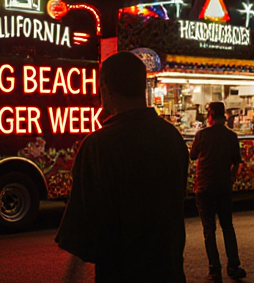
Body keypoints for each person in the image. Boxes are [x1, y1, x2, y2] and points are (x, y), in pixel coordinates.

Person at [56, 51, 189, 283]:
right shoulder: (172, 137)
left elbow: (81, 235)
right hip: (169, 272)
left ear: (105, 87)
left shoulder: (98, 145)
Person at [190, 101, 246, 281]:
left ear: (211, 114)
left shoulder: (202, 134)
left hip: (204, 187)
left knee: (209, 230)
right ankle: (234, 264)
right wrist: (231, 178)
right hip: (223, 187)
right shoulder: (231, 136)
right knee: (228, 226)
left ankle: (214, 268)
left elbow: (192, 155)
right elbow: (237, 161)